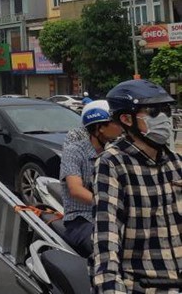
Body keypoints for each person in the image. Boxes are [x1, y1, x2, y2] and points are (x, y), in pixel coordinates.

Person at [92, 79, 182, 292]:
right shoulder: (112, 163)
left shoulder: (175, 162)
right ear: (126, 119)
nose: (164, 118)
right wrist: (110, 287)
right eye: (153, 111)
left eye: (167, 110)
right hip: (144, 286)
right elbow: (107, 234)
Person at [59, 99, 121, 257]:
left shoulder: (117, 151)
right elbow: (76, 190)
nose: (120, 126)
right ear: (99, 127)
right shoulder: (74, 151)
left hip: (115, 217)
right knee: (105, 249)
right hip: (82, 219)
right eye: (114, 122)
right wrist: (110, 205)